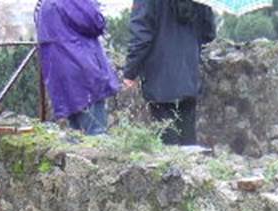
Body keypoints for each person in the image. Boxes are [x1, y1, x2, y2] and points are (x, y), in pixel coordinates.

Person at [122, 0, 216, 146]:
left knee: (167, 139)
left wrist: (130, 72)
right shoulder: (201, 2)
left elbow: (141, 37)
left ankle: (174, 166)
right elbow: (209, 33)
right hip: (189, 73)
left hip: (158, 76)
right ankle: (190, 166)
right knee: (188, 142)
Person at [35, 0, 120, 135]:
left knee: (76, 134)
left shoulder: (45, 4)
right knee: (96, 133)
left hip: (60, 71)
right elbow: (94, 22)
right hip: (81, 69)